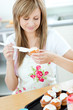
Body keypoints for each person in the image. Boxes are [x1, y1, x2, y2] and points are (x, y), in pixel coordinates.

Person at [3, 0, 73, 94]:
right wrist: (9, 60)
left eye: (36, 18)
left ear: (41, 17)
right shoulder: (12, 41)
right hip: (24, 98)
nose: (31, 23)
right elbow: (12, 87)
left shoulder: (52, 36)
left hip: (50, 95)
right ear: (17, 18)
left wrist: (53, 58)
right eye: (26, 18)